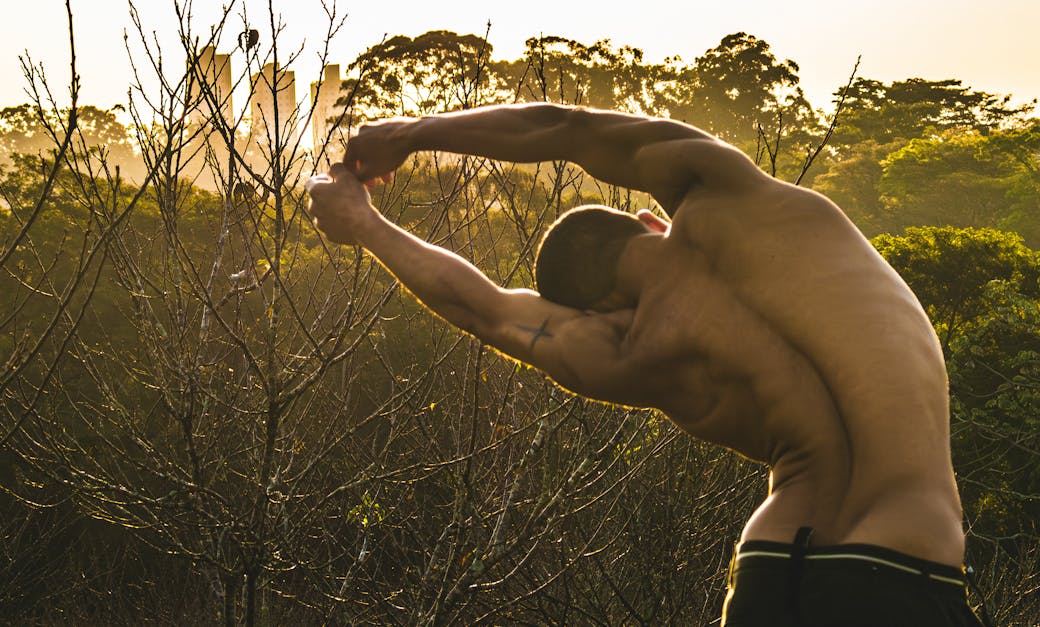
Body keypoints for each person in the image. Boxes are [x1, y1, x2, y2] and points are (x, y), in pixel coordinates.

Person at [304, 103, 984, 626]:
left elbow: (485, 309)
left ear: (597, 308)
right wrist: (413, 132)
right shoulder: (724, 194)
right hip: (901, 563)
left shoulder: (628, 350)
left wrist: (364, 223)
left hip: (774, 567)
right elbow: (566, 128)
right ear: (646, 221)